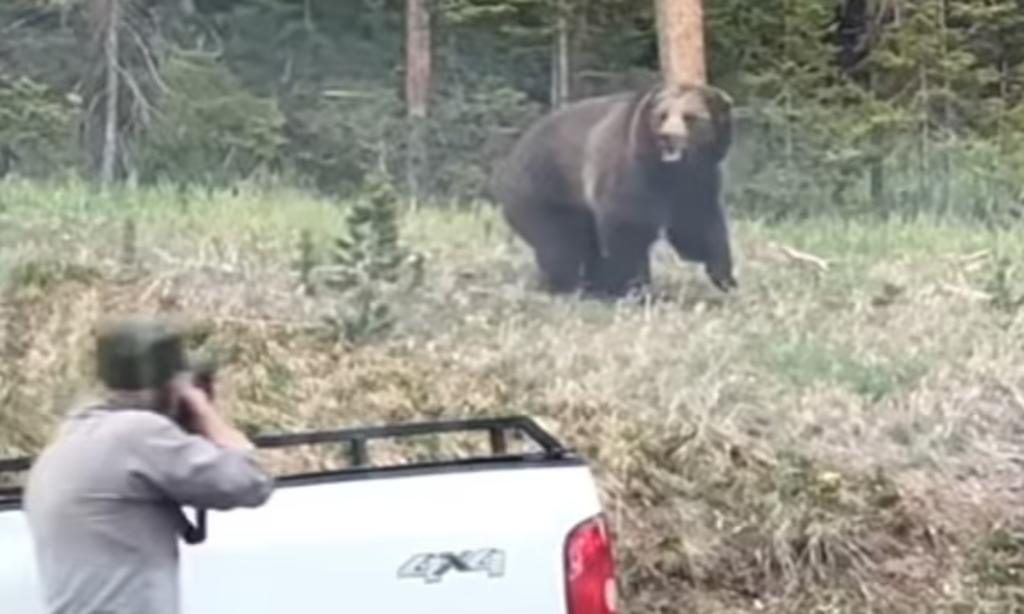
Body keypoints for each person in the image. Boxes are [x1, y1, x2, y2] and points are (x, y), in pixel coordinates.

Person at [22, 315, 275, 614]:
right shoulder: (136, 433)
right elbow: (251, 481)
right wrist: (204, 413)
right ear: (169, 384)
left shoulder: (73, 435)